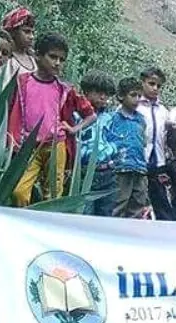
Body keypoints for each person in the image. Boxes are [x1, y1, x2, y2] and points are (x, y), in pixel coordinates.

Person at [6, 33, 94, 207]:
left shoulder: (64, 89)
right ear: (38, 56)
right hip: (28, 147)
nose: (57, 63)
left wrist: (75, 129)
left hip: (56, 145)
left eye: (62, 59)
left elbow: (90, 115)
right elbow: (10, 109)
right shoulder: (22, 82)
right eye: (52, 57)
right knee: (19, 192)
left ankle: (46, 227)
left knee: (53, 194)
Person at [105, 77, 148, 219]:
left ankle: (132, 237)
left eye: (139, 96)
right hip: (121, 168)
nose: (136, 99)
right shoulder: (113, 119)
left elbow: (143, 142)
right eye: (133, 95)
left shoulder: (141, 120)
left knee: (137, 204)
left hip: (139, 167)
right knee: (118, 203)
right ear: (121, 96)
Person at [137, 66, 175, 220]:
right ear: (142, 83)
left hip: (158, 164)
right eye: (151, 84)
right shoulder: (135, 106)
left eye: (159, 86)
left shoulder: (163, 111)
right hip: (139, 162)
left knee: (162, 206)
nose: (155, 88)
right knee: (137, 204)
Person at [77, 71, 116, 217]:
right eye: (99, 92)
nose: (103, 97)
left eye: (107, 94)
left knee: (105, 217)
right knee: (85, 215)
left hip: (107, 172)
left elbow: (115, 139)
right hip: (84, 173)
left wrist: (112, 150)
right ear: (86, 91)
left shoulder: (109, 117)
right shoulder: (76, 115)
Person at [0, 5, 34, 79]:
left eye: (32, 32)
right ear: (13, 32)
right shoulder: (4, 60)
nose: (31, 37)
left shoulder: (35, 60)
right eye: (26, 32)